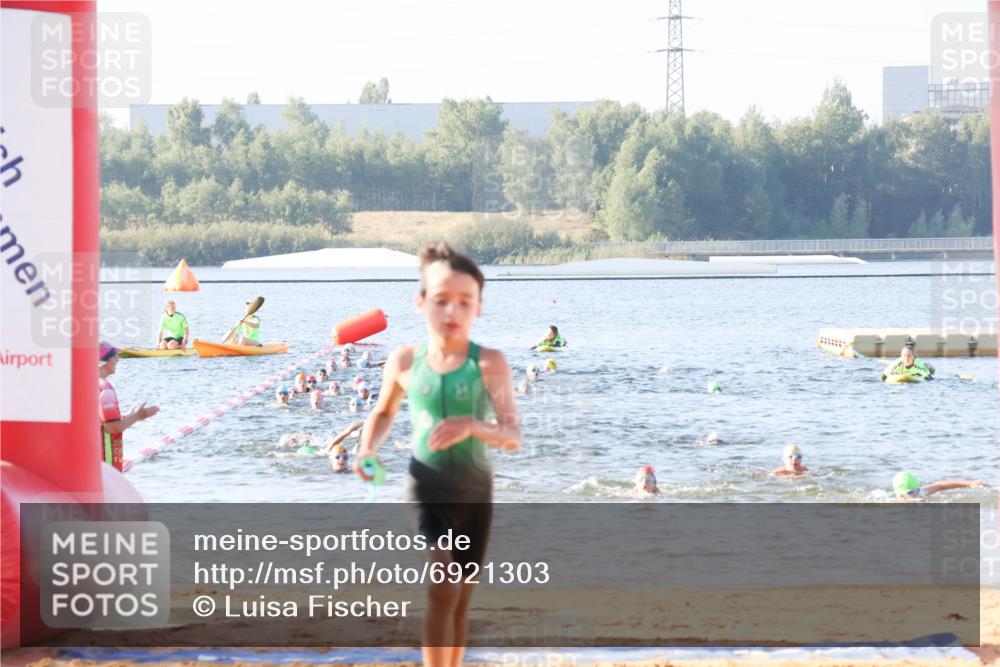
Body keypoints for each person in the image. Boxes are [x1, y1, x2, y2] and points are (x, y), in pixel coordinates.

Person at [355, 242, 522, 667]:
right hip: (425, 483)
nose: (452, 311)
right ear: (421, 302)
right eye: (441, 300)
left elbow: (511, 435)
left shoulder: (490, 363)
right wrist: (366, 450)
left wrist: (470, 426)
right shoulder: (405, 361)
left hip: (475, 491)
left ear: (479, 307)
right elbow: (382, 411)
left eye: (464, 302)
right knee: (441, 584)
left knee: (461, 601)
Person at [98, 342, 159, 471]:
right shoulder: (105, 389)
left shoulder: (84, 383)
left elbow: (99, 421)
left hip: (91, 464)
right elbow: (113, 427)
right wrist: (139, 415)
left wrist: (125, 417)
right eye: (114, 357)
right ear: (104, 362)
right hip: (106, 467)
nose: (118, 360)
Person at [893, 471, 988, 501]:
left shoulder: (920, 494)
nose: (915, 494)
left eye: (916, 490)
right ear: (900, 494)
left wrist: (969, 484)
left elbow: (940, 486)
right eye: (911, 492)